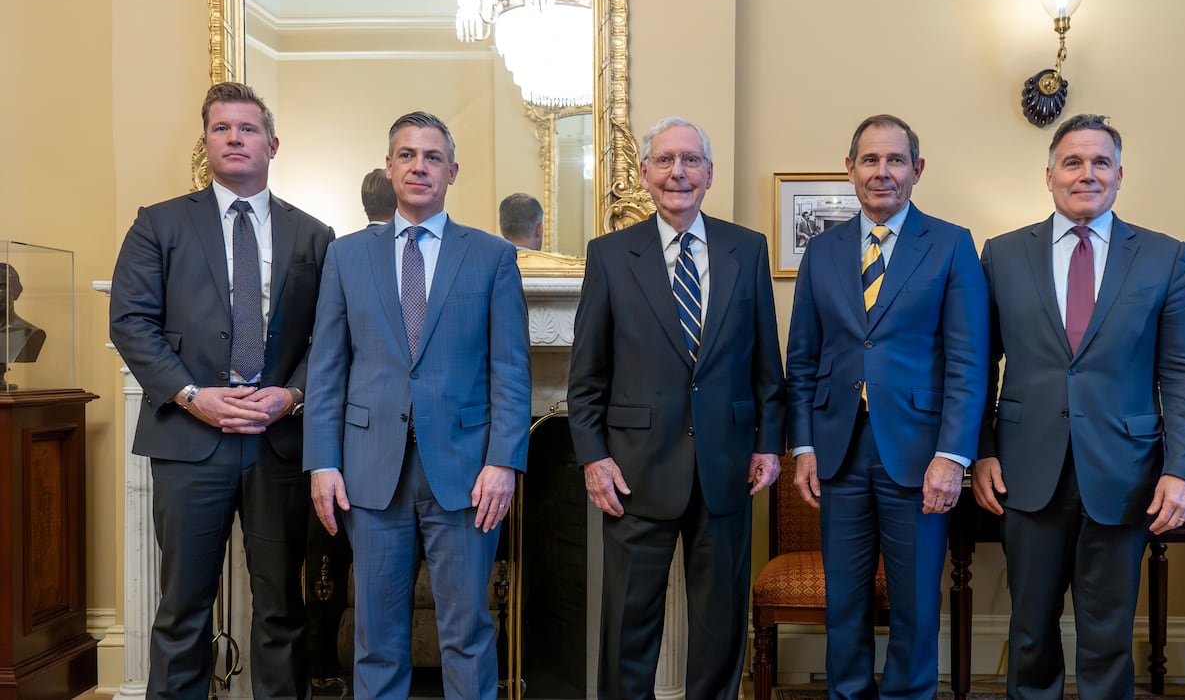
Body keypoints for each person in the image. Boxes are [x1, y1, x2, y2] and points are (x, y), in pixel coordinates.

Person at [971, 113, 1185, 699]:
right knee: (1029, 631)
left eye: (1101, 162)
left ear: (1121, 175)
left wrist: (1182, 469)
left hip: (1125, 472)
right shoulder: (1001, 255)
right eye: (1073, 162)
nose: (1087, 173)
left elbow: (1184, 372)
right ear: (1049, 175)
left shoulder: (1164, 256)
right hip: (1026, 470)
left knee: (1107, 636)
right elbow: (979, 364)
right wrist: (981, 450)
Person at [109, 81, 334, 700]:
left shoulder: (315, 236)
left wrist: (291, 396)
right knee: (182, 609)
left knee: (282, 608)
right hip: (188, 442)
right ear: (205, 141)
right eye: (221, 128)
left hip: (280, 444)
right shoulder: (159, 224)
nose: (235, 138)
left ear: (273, 143)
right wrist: (190, 395)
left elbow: (332, 338)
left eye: (248, 128)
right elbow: (130, 320)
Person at [305, 111, 531, 700]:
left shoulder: (490, 257)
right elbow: (328, 369)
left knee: (468, 635)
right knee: (376, 638)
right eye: (407, 155)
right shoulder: (346, 256)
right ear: (389, 167)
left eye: (432, 157)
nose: (419, 167)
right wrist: (322, 463)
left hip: (466, 475)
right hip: (368, 474)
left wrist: (504, 462)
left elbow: (510, 370)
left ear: (452, 171)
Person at [568, 116, 785, 698]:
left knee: (719, 631)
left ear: (709, 174)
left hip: (727, 467)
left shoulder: (747, 249)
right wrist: (594, 458)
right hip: (634, 471)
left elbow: (766, 362)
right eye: (664, 161)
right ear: (644, 174)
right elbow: (586, 377)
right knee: (627, 630)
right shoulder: (610, 256)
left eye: (690, 160)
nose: (677, 173)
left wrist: (768, 442)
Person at [785, 113, 989, 699]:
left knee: (916, 603)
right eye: (870, 160)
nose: (883, 172)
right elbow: (802, 357)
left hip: (921, 454)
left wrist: (953, 455)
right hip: (838, 453)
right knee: (844, 603)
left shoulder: (952, 244)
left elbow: (969, 362)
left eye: (895, 160)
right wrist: (802, 446)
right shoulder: (822, 252)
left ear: (916, 170)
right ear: (850, 169)